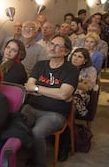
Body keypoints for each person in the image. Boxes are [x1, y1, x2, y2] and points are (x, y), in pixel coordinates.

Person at [22, 35, 79, 166]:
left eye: (58, 46)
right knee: (15, 124)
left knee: (37, 132)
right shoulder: (40, 65)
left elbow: (64, 94)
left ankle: (39, 163)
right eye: (51, 44)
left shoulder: (71, 70)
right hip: (31, 108)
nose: (52, 47)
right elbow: (28, 87)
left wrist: (37, 88)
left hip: (54, 113)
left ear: (66, 51)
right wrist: (53, 92)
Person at [69, 48, 97, 118]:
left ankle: (69, 126)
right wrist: (80, 82)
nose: (75, 58)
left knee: (72, 100)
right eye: (74, 55)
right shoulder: (66, 66)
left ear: (85, 60)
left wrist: (69, 81)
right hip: (65, 91)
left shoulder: (91, 70)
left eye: (79, 57)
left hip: (82, 95)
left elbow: (87, 88)